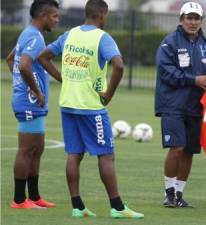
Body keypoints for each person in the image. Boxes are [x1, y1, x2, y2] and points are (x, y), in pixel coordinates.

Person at [38, 0, 144, 219]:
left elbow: (43, 57)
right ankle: (117, 207)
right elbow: (119, 65)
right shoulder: (102, 38)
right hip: (91, 107)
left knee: (74, 154)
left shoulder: (70, 35)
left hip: (68, 104)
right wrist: (110, 94)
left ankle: (77, 206)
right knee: (106, 155)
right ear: (102, 15)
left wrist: (63, 79)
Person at [155, 1, 206, 208]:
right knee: (177, 147)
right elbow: (166, 71)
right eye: (189, 18)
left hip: (195, 106)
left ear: (201, 21)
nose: (193, 22)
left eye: (196, 18)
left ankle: (180, 195)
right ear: (181, 19)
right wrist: (194, 80)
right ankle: (169, 193)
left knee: (190, 150)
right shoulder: (170, 42)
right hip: (172, 105)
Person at [6, 0, 60, 209]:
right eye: (54, 16)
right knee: (26, 150)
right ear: (43, 15)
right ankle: (19, 200)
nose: (57, 20)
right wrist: (35, 90)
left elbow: (11, 59)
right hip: (29, 102)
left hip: (31, 101)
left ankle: (35, 197)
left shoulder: (29, 33)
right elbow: (24, 64)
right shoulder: (34, 37)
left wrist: (22, 85)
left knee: (38, 148)